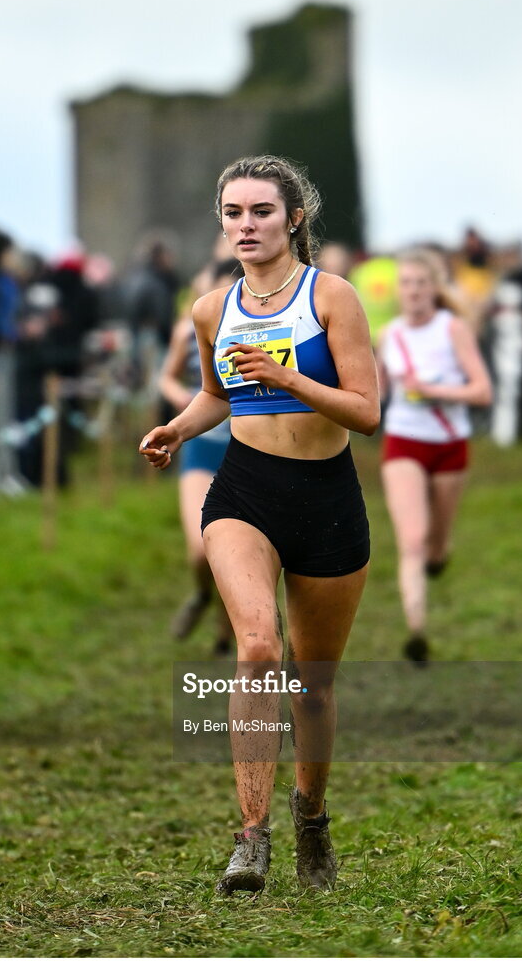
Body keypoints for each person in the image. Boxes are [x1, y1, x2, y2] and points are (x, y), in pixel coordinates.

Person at [140, 155, 379, 894]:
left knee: (312, 684)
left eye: (260, 213)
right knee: (255, 646)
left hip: (326, 495)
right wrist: (177, 429)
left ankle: (311, 817)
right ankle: (251, 836)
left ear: (293, 218)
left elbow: (366, 414)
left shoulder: (330, 297)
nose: (245, 226)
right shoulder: (211, 309)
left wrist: (288, 380)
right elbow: (217, 394)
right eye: (233, 214)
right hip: (244, 487)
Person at [378, 247, 492, 665]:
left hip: (449, 444)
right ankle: (416, 632)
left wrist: (434, 391)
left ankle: (440, 557)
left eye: (421, 284)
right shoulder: (390, 335)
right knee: (411, 541)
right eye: (406, 284)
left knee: (435, 548)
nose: (413, 292)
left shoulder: (452, 328)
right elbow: (375, 394)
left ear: (434, 288)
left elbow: (482, 391)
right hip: (404, 441)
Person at [158, 258, 242, 656]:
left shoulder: (261, 331)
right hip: (201, 445)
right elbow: (166, 376)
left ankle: (228, 634)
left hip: (246, 449)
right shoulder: (187, 331)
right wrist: (180, 399)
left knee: (236, 553)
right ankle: (202, 593)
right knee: (201, 548)